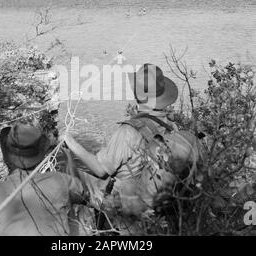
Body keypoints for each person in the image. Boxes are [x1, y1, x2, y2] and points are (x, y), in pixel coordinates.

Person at [63, 63, 197, 234]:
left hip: (128, 203)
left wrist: (71, 143)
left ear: (137, 94)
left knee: (69, 172)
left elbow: (100, 170)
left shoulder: (128, 131)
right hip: (159, 201)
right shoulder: (171, 126)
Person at [0, 123, 87, 236]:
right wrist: (69, 157)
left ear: (6, 156)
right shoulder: (59, 179)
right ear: (41, 156)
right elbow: (83, 195)